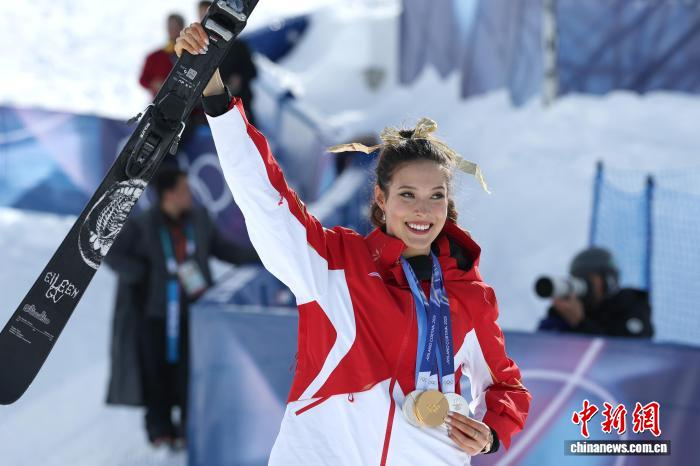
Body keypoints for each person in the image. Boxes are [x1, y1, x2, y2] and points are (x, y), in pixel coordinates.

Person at [176, 23, 530, 465]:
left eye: (436, 196)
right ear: (381, 198)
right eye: (407, 195)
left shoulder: (469, 295)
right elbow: (266, 200)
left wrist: (491, 433)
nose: (422, 210)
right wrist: (216, 98)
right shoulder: (333, 264)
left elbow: (507, 387)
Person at [104, 165, 259, 449]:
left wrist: (263, 256)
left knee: (192, 372)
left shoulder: (200, 220)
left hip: (195, 313)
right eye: (184, 189)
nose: (190, 194)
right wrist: (139, 273)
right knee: (155, 372)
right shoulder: (142, 225)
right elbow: (111, 254)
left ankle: (190, 426)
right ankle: (160, 430)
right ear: (168, 194)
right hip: (154, 314)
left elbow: (225, 249)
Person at [538, 247, 654, 338]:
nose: (583, 284)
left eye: (588, 278)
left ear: (608, 281)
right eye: (577, 278)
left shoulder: (630, 305)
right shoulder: (567, 311)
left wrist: (580, 322)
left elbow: (627, 353)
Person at [198, 1, 258, 125]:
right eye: (201, 15)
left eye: (206, 14)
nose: (204, 18)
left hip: (241, 107)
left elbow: (252, 71)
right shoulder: (198, 48)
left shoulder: (238, 46)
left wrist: (240, 78)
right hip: (211, 114)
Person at [139, 13, 185, 97]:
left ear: (182, 28)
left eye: (175, 26)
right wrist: (153, 83)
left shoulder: (189, 55)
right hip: (160, 101)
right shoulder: (154, 57)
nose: (172, 30)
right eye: (170, 26)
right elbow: (143, 80)